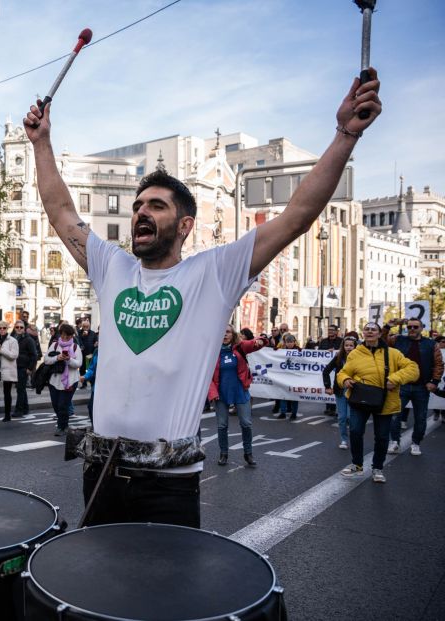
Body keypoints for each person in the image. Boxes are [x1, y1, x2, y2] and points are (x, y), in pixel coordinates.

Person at [22, 68, 381, 528]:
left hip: (169, 485)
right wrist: (41, 144)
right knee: (97, 595)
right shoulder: (113, 267)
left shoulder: (213, 274)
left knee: (165, 600)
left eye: (156, 205)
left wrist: (345, 135)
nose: (140, 213)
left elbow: (296, 217)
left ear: (185, 224)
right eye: (137, 207)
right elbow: (60, 210)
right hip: (102, 476)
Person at [337, 322, 418, 483]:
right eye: (367, 329)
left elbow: (413, 368)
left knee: (381, 437)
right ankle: (357, 465)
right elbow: (343, 372)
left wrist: (395, 379)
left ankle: (377, 468)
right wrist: (345, 380)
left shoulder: (393, 353)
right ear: (363, 334)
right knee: (355, 431)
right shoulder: (355, 353)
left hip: (385, 401)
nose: (369, 331)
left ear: (380, 334)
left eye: (373, 329)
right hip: (359, 399)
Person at [208, 326, 266, 467]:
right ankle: (223, 454)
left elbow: (259, 342)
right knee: (222, 425)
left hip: (240, 391)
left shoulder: (240, 347)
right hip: (221, 394)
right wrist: (213, 393)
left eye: (227, 332)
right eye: (222, 332)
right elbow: (207, 376)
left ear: (232, 334)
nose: (224, 335)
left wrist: (260, 341)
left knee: (246, 423)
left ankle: (248, 453)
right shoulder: (212, 352)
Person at [383, 318, 443, 456]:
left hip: (422, 387)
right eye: (409, 327)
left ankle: (416, 443)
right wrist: (388, 326)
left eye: (415, 327)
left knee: (420, 418)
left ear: (422, 328)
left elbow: (439, 364)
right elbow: (381, 341)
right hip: (400, 386)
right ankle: (395, 442)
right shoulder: (398, 340)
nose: (412, 329)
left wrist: (434, 381)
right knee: (394, 416)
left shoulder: (431, 344)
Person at [45, 323, 83, 436]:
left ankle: (62, 426)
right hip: (54, 381)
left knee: (63, 405)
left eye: (68, 336)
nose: (65, 338)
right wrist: (57, 357)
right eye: (63, 335)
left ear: (72, 336)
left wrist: (69, 359)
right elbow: (46, 359)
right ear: (60, 334)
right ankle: (63, 424)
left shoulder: (75, 347)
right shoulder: (55, 345)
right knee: (56, 405)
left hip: (70, 381)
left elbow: (78, 364)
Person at [323, 335, 358, 450]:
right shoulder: (339, 357)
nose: (348, 348)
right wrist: (327, 386)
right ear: (343, 346)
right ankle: (344, 439)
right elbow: (326, 371)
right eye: (346, 345)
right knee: (342, 417)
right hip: (340, 391)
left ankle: (354, 438)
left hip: (354, 392)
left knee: (350, 417)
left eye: (351, 346)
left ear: (355, 347)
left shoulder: (360, 358)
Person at [12, 320, 39, 417]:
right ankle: (25, 408)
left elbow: (34, 355)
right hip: (16, 367)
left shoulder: (28, 339)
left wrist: (30, 368)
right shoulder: (14, 337)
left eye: (21, 327)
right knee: (21, 389)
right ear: (14, 328)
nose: (19, 329)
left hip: (23, 367)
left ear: (24, 329)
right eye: (17, 327)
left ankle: (19, 410)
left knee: (20, 389)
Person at [318, 324, 343, 415]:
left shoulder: (341, 341)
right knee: (327, 383)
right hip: (326, 366)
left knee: (335, 384)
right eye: (329, 330)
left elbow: (344, 351)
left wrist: (336, 351)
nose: (330, 331)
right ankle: (328, 407)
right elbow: (319, 353)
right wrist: (325, 352)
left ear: (336, 331)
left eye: (332, 330)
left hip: (337, 366)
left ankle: (333, 407)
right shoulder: (323, 341)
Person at [276, 333, 301, 419]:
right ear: (285, 342)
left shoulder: (299, 350)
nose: (289, 343)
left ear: (294, 342)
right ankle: (283, 412)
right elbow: (274, 353)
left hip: (294, 377)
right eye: (288, 342)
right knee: (283, 394)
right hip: (285, 376)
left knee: (294, 395)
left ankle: (294, 413)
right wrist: (275, 349)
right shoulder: (282, 351)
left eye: (291, 342)